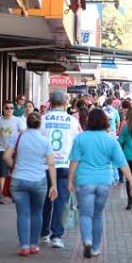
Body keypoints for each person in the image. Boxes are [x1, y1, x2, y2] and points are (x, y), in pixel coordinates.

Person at [68, 109, 132, 258]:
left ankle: (87, 240)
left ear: (89, 120)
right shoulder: (110, 140)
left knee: (85, 214)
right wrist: (131, 181)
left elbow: (74, 161)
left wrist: (69, 180)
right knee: (97, 215)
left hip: (84, 180)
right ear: (105, 121)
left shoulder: (80, 138)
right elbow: (122, 163)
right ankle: (96, 248)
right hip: (104, 181)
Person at [4, 112, 58, 256]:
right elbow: (51, 164)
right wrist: (54, 185)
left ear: (26, 123)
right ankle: (34, 245)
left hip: (18, 180)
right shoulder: (45, 141)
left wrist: (14, 168)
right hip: (39, 180)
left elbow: (6, 156)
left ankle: (24, 247)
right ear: (40, 124)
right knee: (37, 213)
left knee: (23, 214)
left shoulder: (18, 137)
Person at [40, 91, 82, 249]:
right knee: (61, 201)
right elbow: (79, 142)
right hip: (64, 165)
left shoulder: (42, 119)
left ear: (50, 102)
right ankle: (56, 235)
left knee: (45, 200)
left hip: (45, 165)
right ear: (65, 103)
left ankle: (43, 232)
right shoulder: (72, 121)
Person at [0, 100, 26, 204]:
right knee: (3, 173)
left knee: (15, 173)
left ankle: (15, 194)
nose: (9, 110)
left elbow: (24, 134)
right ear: (3, 109)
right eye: (7, 108)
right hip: (2, 149)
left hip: (15, 150)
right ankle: (3, 194)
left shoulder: (18, 121)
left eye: (11, 108)